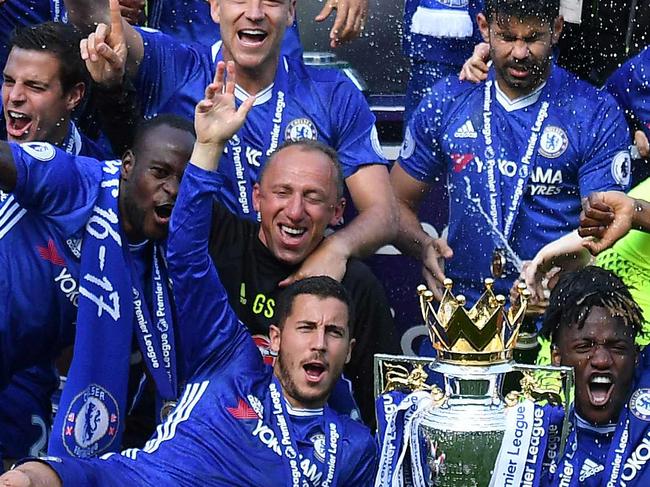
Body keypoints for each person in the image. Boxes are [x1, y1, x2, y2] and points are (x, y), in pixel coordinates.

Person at [0, 60, 377, 487]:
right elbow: (186, 253)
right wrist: (209, 146)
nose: (318, 344)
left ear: (349, 350)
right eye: (306, 327)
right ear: (274, 338)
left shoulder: (355, 447)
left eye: (333, 333)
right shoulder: (231, 358)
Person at [64, 0, 397, 284]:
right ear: (215, 7)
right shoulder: (175, 67)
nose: (254, 13)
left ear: (292, 12)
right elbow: (93, 16)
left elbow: (383, 213)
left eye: (271, 1)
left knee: (361, 285)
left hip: (292, 286)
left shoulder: (332, 94)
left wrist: (336, 250)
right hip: (191, 288)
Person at [391, 0, 631, 305]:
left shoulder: (593, 111)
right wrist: (422, 245)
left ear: (556, 29)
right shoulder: (449, 99)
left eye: (532, 39)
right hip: (464, 311)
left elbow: (604, 218)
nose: (519, 52)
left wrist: (568, 260)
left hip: (556, 313)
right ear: (483, 28)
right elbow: (394, 202)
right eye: (506, 37)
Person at [0, 112, 194, 461]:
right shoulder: (78, 182)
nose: (174, 190)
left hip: (25, 370)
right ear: (127, 166)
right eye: (160, 172)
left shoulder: (165, 264)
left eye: (186, 179)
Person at [208, 138, 398, 427]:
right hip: (217, 439)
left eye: (313, 198)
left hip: (315, 453)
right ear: (257, 197)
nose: (295, 211)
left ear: (337, 211)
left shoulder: (357, 284)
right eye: (283, 192)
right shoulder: (219, 241)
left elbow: (387, 409)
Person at [541, 266, 650, 486]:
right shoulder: (535, 437)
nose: (601, 360)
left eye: (617, 347)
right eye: (584, 346)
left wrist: (633, 228)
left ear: (636, 356)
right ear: (557, 358)